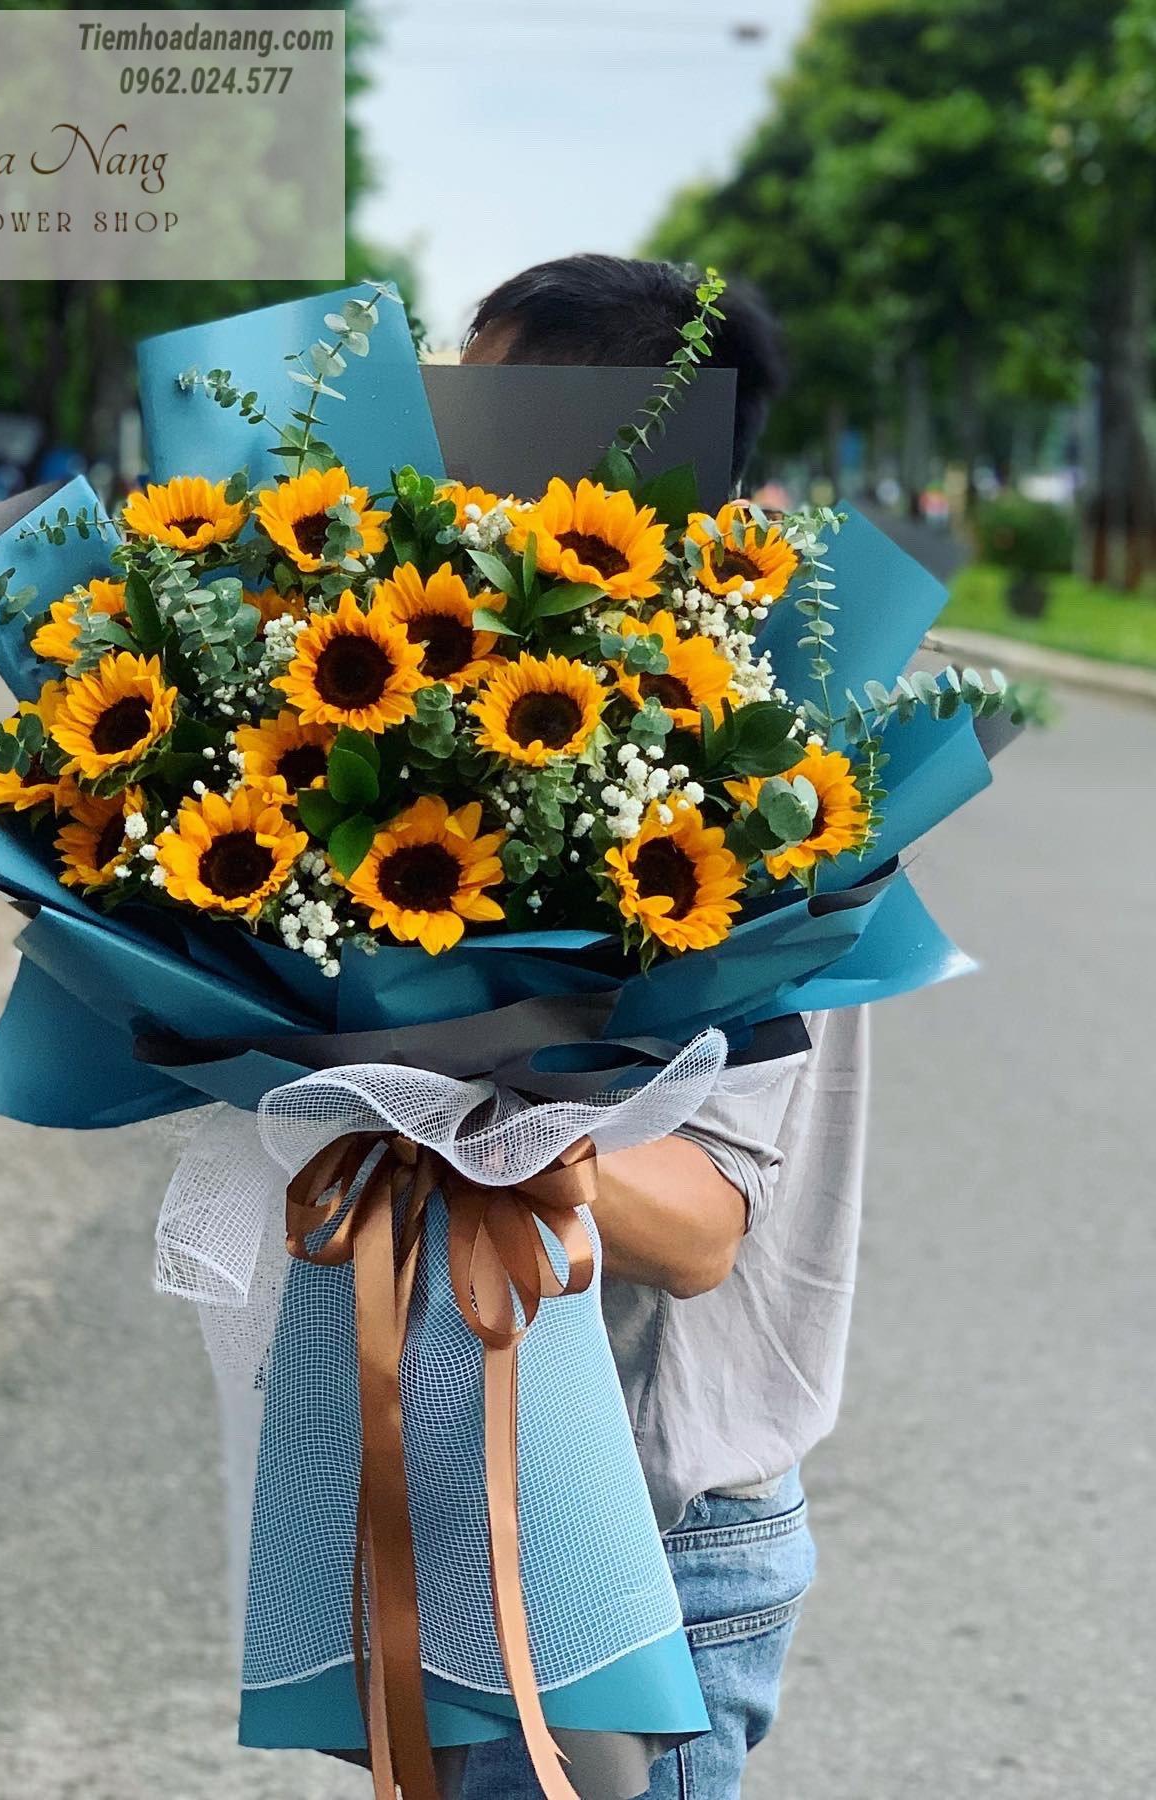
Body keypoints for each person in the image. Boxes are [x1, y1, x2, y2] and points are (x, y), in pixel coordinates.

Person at [457, 254, 869, 1800]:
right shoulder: (503, 747)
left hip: (645, 1540)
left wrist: (427, 1107)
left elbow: (697, 1227)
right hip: (480, 1490)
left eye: (475, 420)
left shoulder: (759, 801)